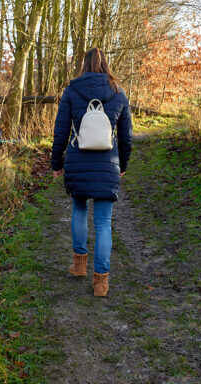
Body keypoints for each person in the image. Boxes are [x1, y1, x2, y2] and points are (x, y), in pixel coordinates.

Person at [51, 47, 133, 297]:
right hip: (108, 163)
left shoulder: (72, 90)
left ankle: (79, 265)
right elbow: (127, 137)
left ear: (84, 65)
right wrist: (123, 165)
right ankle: (101, 282)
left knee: (78, 209)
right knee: (103, 222)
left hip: (78, 160)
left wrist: (56, 163)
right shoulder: (118, 92)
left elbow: (61, 131)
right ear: (105, 64)